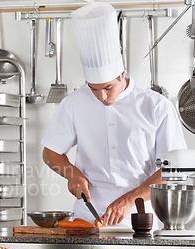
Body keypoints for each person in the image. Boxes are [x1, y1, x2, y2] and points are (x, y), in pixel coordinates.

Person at [41, 2, 187, 229]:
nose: (100, 96)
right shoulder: (74, 103)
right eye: (93, 88)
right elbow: (50, 152)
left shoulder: (156, 106)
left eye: (108, 88)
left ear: (122, 74)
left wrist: (129, 199)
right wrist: (72, 173)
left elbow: (173, 170)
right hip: (87, 220)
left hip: (140, 220)